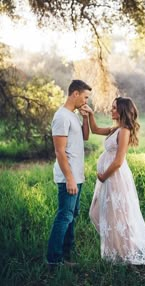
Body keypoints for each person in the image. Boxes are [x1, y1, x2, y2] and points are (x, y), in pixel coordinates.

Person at [81, 97, 145, 265]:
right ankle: (116, 248)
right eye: (112, 107)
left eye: (114, 108)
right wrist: (90, 114)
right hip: (108, 177)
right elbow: (96, 129)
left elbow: (119, 160)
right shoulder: (115, 129)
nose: (111, 110)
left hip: (114, 177)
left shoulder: (124, 131)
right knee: (100, 211)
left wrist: (104, 176)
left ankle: (123, 250)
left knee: (118, 213)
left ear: (122, 110)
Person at [46, 79, 91, 267]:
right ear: (75, 94)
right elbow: (59, 151)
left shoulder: (73, 115)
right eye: (85, 96)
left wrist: (87, 117)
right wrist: (70, 178)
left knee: (72, 215)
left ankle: (66, 254)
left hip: (76, 176)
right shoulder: (62, 117)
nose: (86, 101)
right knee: (64, 216)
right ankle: (54, 260)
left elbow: (86, 136)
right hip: (68, 177)